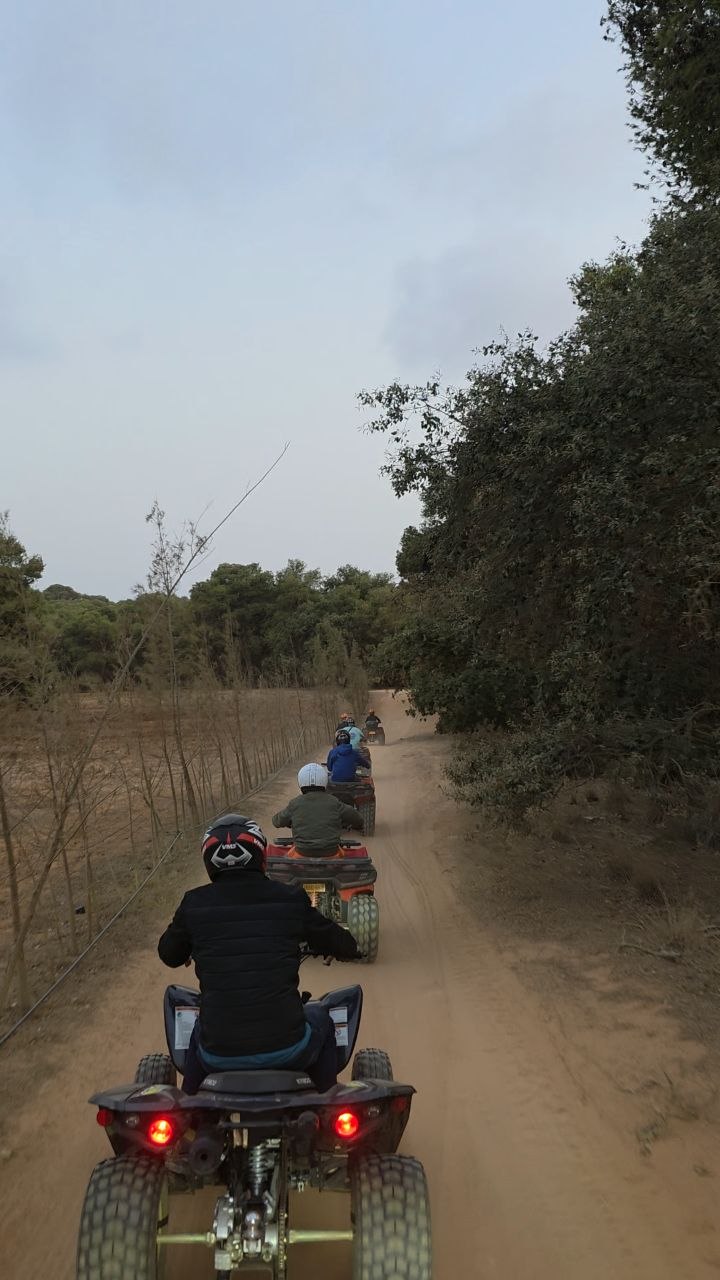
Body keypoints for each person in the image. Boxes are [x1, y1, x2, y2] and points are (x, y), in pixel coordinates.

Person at [158, 814, 360, 1094]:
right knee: (321, 1017)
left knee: (199, 1028)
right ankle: (327, 1100)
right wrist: (346, 950)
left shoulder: (194, 904)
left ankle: (189, 1105)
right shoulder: (289, 898)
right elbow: (344, 944)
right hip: (288, 1048)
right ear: (259, 854)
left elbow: (168, 954)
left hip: (217, 1055)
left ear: (209, 862)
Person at [272, 763, 363, 854]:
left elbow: (276, 821)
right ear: (325, 781)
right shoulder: (334, 801)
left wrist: (290, 821)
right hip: (330, 852)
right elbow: (358, 819)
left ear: (301, 782)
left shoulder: (295, 803)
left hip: (302, 852)